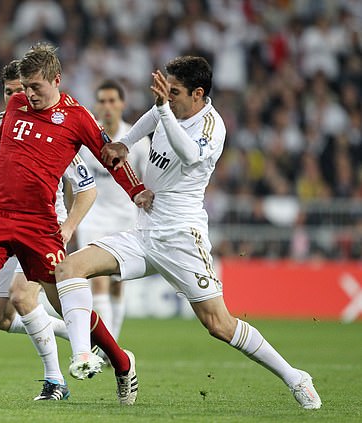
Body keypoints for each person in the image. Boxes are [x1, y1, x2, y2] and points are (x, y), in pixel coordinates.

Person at [55, 56, 322, 410]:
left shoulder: (212, 126)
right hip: (143, 231)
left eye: (175, 93)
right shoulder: (168, 109)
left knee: (219, 325)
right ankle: (107, 358)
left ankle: (295, 377)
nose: (168, 99)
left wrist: (164, 111)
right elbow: (153, 114)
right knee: (69, 269)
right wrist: (127, 142)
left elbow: (191, 155)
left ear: (198, 94)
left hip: (182, 238)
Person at [0, 43, 153, 406]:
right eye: (23, 87)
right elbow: (4, 137)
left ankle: (121, 362)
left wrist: (135, 190)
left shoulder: (78, 117)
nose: (28, 94)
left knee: (66, 306)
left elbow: (111, 157)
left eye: (35, 87)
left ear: (56, 80)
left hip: (40, 224)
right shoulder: (15, 105)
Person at [0, 60, 97, 400]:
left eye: (25, 90)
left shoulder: (55, 126)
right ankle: (80, 336)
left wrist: (67, 226)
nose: (21, 96)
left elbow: (86, 187)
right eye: (13, 91)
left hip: (41, 226)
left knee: (23, 297)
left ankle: (56, 380)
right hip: (2, 223)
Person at [76, 79, 150, 352]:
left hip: (126, 220)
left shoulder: (137, 141)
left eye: (112, 101)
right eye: (102, 101)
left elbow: (148, 181)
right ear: (96, 105)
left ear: (121, 104)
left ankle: (111, 346)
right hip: (93, 219)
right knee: (98, 284)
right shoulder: (87, 141)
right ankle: (106, 350)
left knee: (118, 286)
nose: (107, 107)